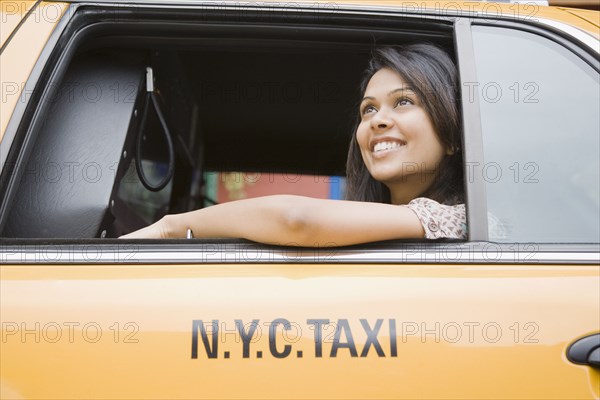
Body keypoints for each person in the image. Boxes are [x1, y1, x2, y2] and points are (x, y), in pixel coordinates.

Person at [121, 44, 466, 244]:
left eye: (404, 102)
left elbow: (295, 219)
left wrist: (170, 228)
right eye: (368, 109)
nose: (377, 120)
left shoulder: (459, 220)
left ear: (451, 136)